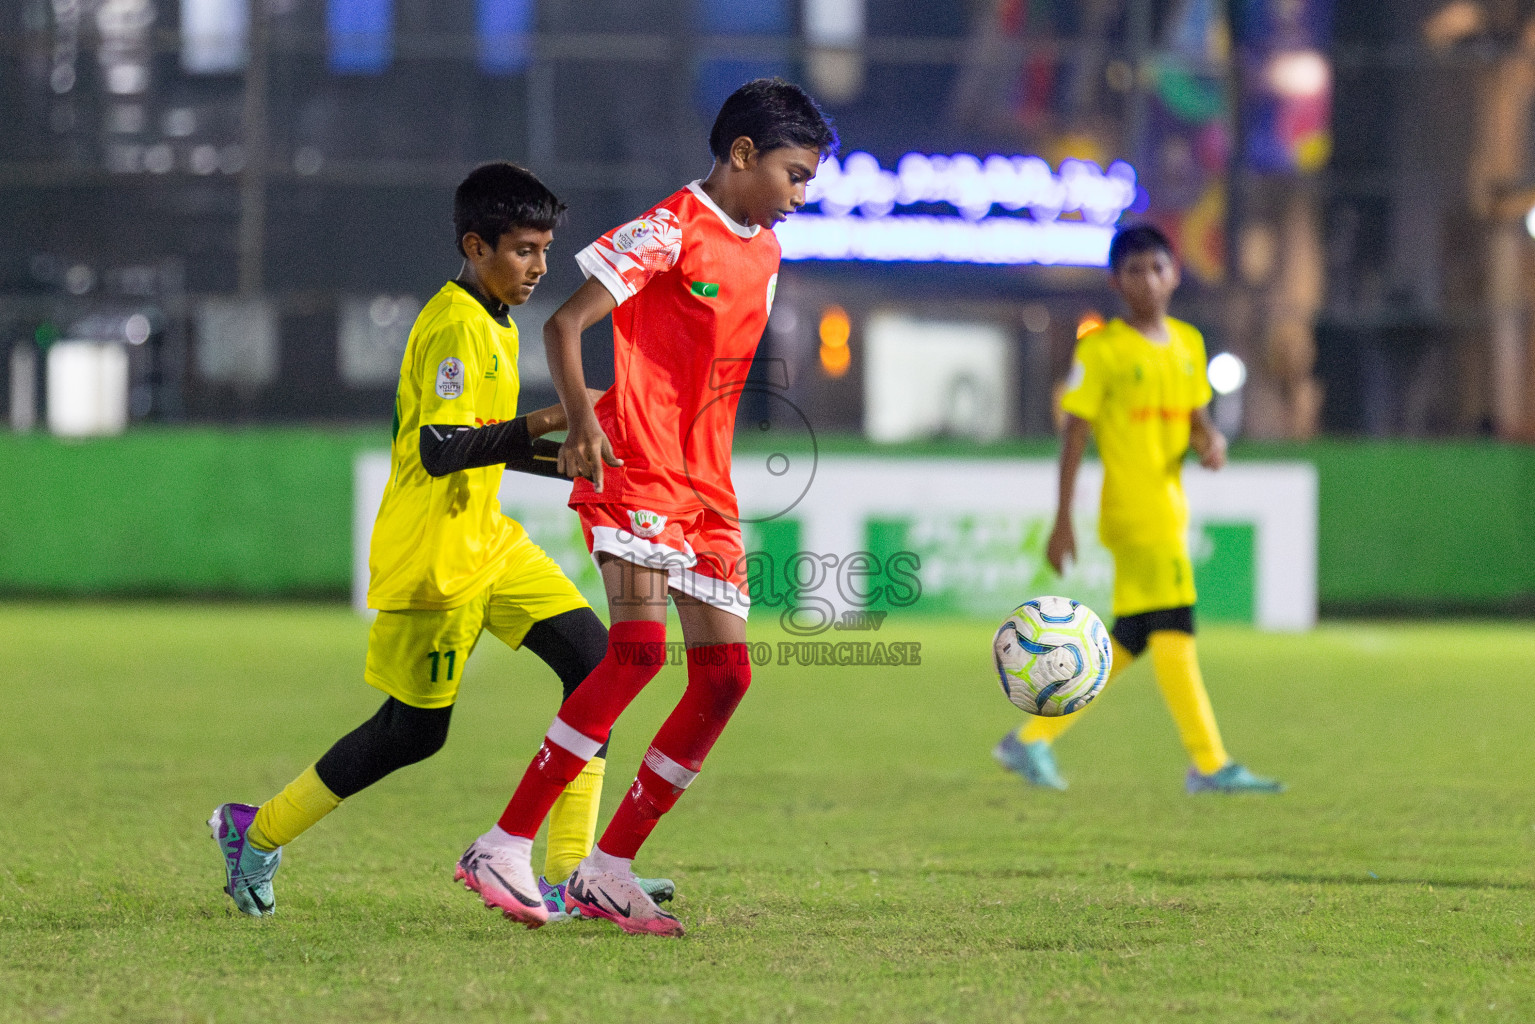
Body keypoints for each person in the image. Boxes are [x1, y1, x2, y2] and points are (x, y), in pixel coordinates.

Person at [210, 162, 671, 922]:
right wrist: (561, 417)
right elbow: (442, 449)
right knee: (412, 733)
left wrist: (581, 468)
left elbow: (491, 444)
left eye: (545, 249)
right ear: (475, 245)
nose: (539, 266)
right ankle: (253, 830)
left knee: (600, 666)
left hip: (488, 540)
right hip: (433, 559)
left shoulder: (495, 316)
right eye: (524, 249)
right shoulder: (454, 322)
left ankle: (569, 872)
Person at [452, 78, 837, 937]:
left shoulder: (766, 254)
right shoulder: (670, 226)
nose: (801, 196)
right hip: (636, 467)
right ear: (742, 154)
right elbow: (565, 324)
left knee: (726, 678)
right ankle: (504, 843)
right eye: (794, 174)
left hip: (706, 485)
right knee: (633, 652)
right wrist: (586, 427)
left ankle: (606, 867)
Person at [993, 223, 1284, 796]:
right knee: (1175, 626)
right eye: (1133, 270)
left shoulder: (1188, 345)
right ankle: (1208, 762)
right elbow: (1074, 435)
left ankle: (1029, 740)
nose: (1147, 281)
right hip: (1134, 510)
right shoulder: (1102, 350)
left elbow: (1198, 422)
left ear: (1174, 274)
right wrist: (1061, 520)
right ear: (1115, 281)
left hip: (1169, 507)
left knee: (1132, 636)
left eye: (1156, 268)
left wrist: (1212, 443)